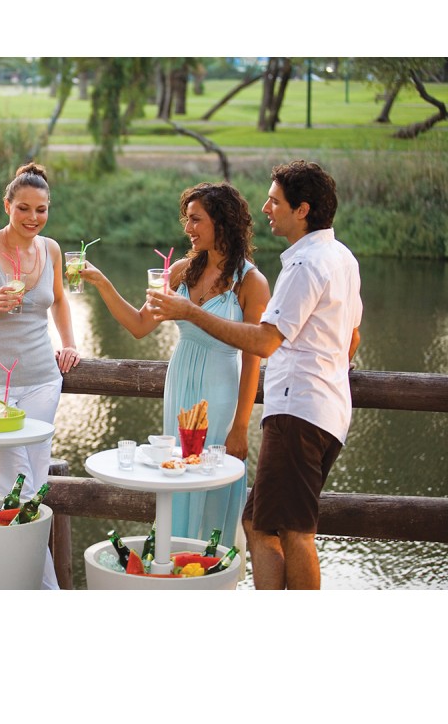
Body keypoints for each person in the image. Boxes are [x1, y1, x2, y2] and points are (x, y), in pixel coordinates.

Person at [147, 160, 362, 590]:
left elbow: (264, 344)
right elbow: (353, 337)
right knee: (260, 526)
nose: (266, 207)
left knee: (292, 532)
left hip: (299, 411)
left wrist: (190, 312)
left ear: (302, 210)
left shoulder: (304, 267)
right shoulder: (341, 256)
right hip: (327, 409)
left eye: (275, 200)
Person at [80, 182, 270, 552]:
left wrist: (241, 426)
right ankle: (175, 557)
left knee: (212, 478)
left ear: (222, 221)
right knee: (178, 474)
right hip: (180, 381)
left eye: (196, 219)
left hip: (220, 388)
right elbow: (138, 326)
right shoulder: (181, 270)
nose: (188, 228)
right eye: (187, 219)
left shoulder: (251, 282)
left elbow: (253, 358)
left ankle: (209, 563)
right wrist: (102, 282)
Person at [0, 162, 80, 589]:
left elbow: (59, 300)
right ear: (7, 205)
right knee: (12, 490)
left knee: (34, 487)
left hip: (43, 379)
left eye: (42, 210)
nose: (33, 218)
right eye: (24, 208)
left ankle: (18, 583)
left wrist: (70, 342)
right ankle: (46, 589)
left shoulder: (52, 249)